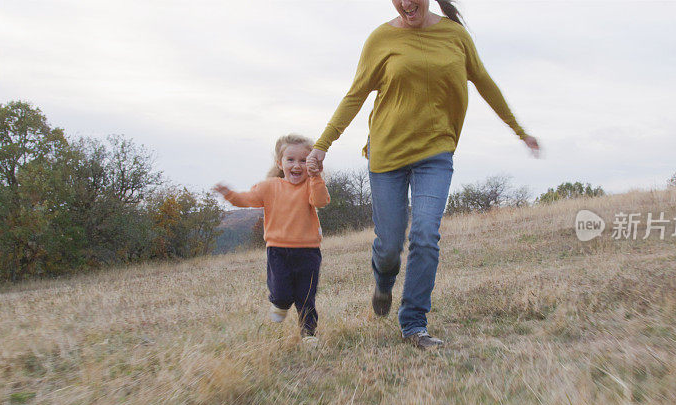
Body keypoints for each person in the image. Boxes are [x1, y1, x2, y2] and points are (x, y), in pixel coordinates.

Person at [306, 0, 541, 349]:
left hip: (435, 152)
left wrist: (519, 130)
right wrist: (323, 144)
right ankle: (384, 282)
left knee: (425, 234)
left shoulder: (454, 35)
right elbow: (355, 94)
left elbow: (484, 82)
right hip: (387, 155)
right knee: (388, 247)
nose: (404, 3)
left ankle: (414, 323)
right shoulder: (380, 39)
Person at [216, 134, 331, 343]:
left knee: (306, 297)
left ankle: (309, 334)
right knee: (282, 292)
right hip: (278, 251)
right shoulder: (269, 186)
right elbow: (246, 199)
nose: (297, 165)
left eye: (304, 161)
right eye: (290, 160)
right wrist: (229, 194)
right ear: (280, 163)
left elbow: (321, 201)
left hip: (309, 252)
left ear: (312, 163)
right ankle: (279, 303)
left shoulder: (311, 185)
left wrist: (316, 177)